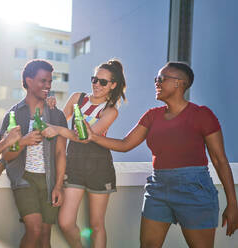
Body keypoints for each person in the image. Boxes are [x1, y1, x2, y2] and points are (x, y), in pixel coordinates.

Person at [83, 62, 238, 247]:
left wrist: (232, 203)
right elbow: (125, 144)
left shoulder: (202, 115)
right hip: (158, 189)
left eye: (161, 79)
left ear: (179, 83)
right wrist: (92, 136)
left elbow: (220, 160)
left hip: (194, 189)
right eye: (156, 79)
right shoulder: (152, 116)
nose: (156, 83)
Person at [42, 59, 127, 248]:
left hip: (100, 168)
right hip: (74, 165)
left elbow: (86, 137)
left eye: (103, 82)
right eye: (95, 79)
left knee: (97, 226)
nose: (96, 84)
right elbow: (60, 121)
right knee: (65, 221)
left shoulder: (111, 111)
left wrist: (58, 129)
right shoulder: (77, 98)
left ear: (113, 85)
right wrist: (51, 108)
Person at [0, 59, 67, 248]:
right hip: (24, 180)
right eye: (43, 81)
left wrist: (59, 186)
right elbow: (6, 156)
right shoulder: (13, 115)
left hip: (49, 181)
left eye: (50, 82)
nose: (48, 86)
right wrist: (24, 142)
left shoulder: (57, 115)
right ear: (29, 81)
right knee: (34, 229)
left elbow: (61, 153)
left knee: (45, 235)